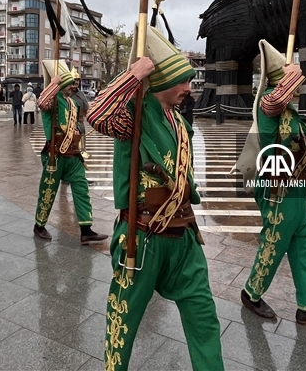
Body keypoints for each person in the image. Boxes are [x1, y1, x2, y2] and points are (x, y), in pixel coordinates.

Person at [87, 26, 222, 371]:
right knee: (124, 320)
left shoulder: (179, 121)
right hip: (143, 235)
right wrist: (133, 75)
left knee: (204, 316)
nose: (188, 90)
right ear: (161, 81)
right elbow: (97, 116)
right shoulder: (134, 113)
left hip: (185, 236)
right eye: (182, 81)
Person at [237, 40, 306, 323]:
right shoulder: (268, 105)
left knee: (303, 246)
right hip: (278, 189)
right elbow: (273, 100)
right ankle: (251, 292)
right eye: (293, 82)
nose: (298, 88)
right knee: (274, 242)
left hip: (299, 188)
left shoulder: (289, 112)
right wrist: (292, 74)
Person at [33, 60, 106, 244]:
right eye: (69, 84)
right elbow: (41, 102)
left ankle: (86, 229)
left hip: (73, 155)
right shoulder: (52, 101)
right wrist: (54, 83)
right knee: (48, 191)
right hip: (54, 155)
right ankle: (39, 225)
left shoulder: (72, 103)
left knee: (81, 188)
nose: (72, 87)